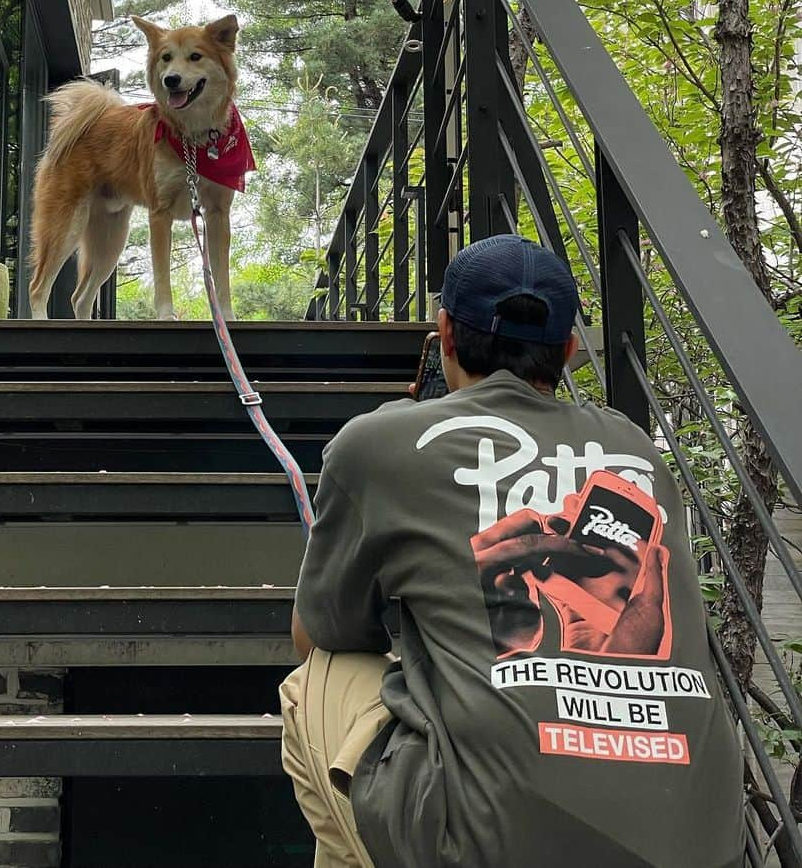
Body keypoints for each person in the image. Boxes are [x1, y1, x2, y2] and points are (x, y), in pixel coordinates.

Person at [280, 233, 744, 868]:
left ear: (443, 333)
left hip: (490, 844)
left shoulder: (381, 442)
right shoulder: (635, 449)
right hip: (703, 844)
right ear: (569, 350)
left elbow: (321, 634)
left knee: (314, 684)